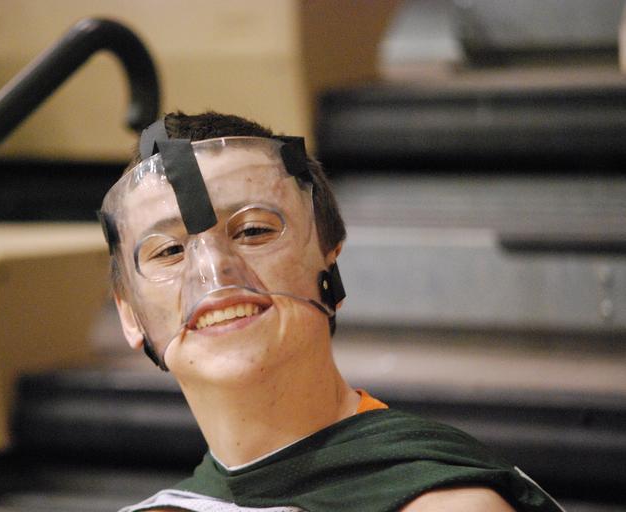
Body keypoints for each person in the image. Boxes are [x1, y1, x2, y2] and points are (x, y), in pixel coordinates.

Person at [98, 111, 564, 512]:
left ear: (330, 262)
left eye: (254, 230)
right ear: (130, 316)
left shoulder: (445, 502)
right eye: (169, 251)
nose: (215, 272)